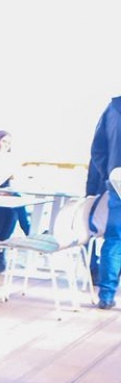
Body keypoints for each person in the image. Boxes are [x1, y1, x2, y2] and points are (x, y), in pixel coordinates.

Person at [86, 96, 121, 309]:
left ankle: (106, 296)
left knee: (114, 239)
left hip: (118, 181)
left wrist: (109, 175)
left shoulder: (113, 108)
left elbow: (97, 149)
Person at [0, 129, 32, 273]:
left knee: (12, 213)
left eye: (9, 143)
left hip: (3, 195)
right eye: (4, 141)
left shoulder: (6, 158)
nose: (6, 145)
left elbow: (11, 179)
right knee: (15, 202)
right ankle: (29, 231)